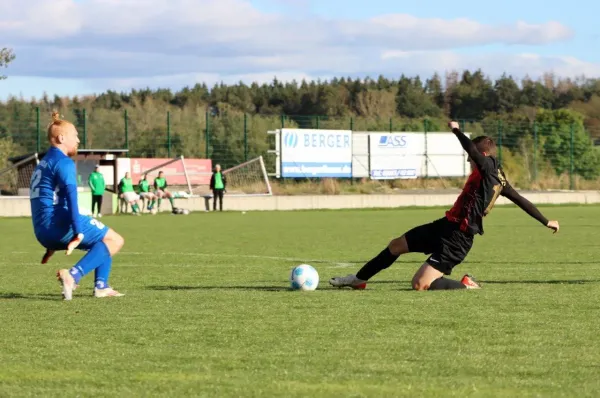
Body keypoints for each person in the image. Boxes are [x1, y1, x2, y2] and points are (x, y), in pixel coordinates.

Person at [329, 121, 560, 291]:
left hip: (459, 239)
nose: (470, 161)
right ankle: (358, 280)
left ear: (484, 154)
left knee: (419, 285)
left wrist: (456, 130)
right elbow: (522, 201)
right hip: (445, 226)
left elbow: (472, 151)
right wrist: (545, 220)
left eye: (473, 158)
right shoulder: (497, 178)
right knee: (396, 245)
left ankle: (466, 285)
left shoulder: (488, 166)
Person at [29, 112, 125, 300]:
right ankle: (73, 275)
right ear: (61, 138)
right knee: (115, 240)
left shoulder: (42, 164)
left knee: (101, 241)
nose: (78, 140)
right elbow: (72, 197)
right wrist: (78, 231)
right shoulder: (62, 162)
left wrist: (48, 242)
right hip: (59, 223)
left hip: (42, 231)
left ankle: (101, 286)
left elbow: (41, 201)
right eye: (75, 135)